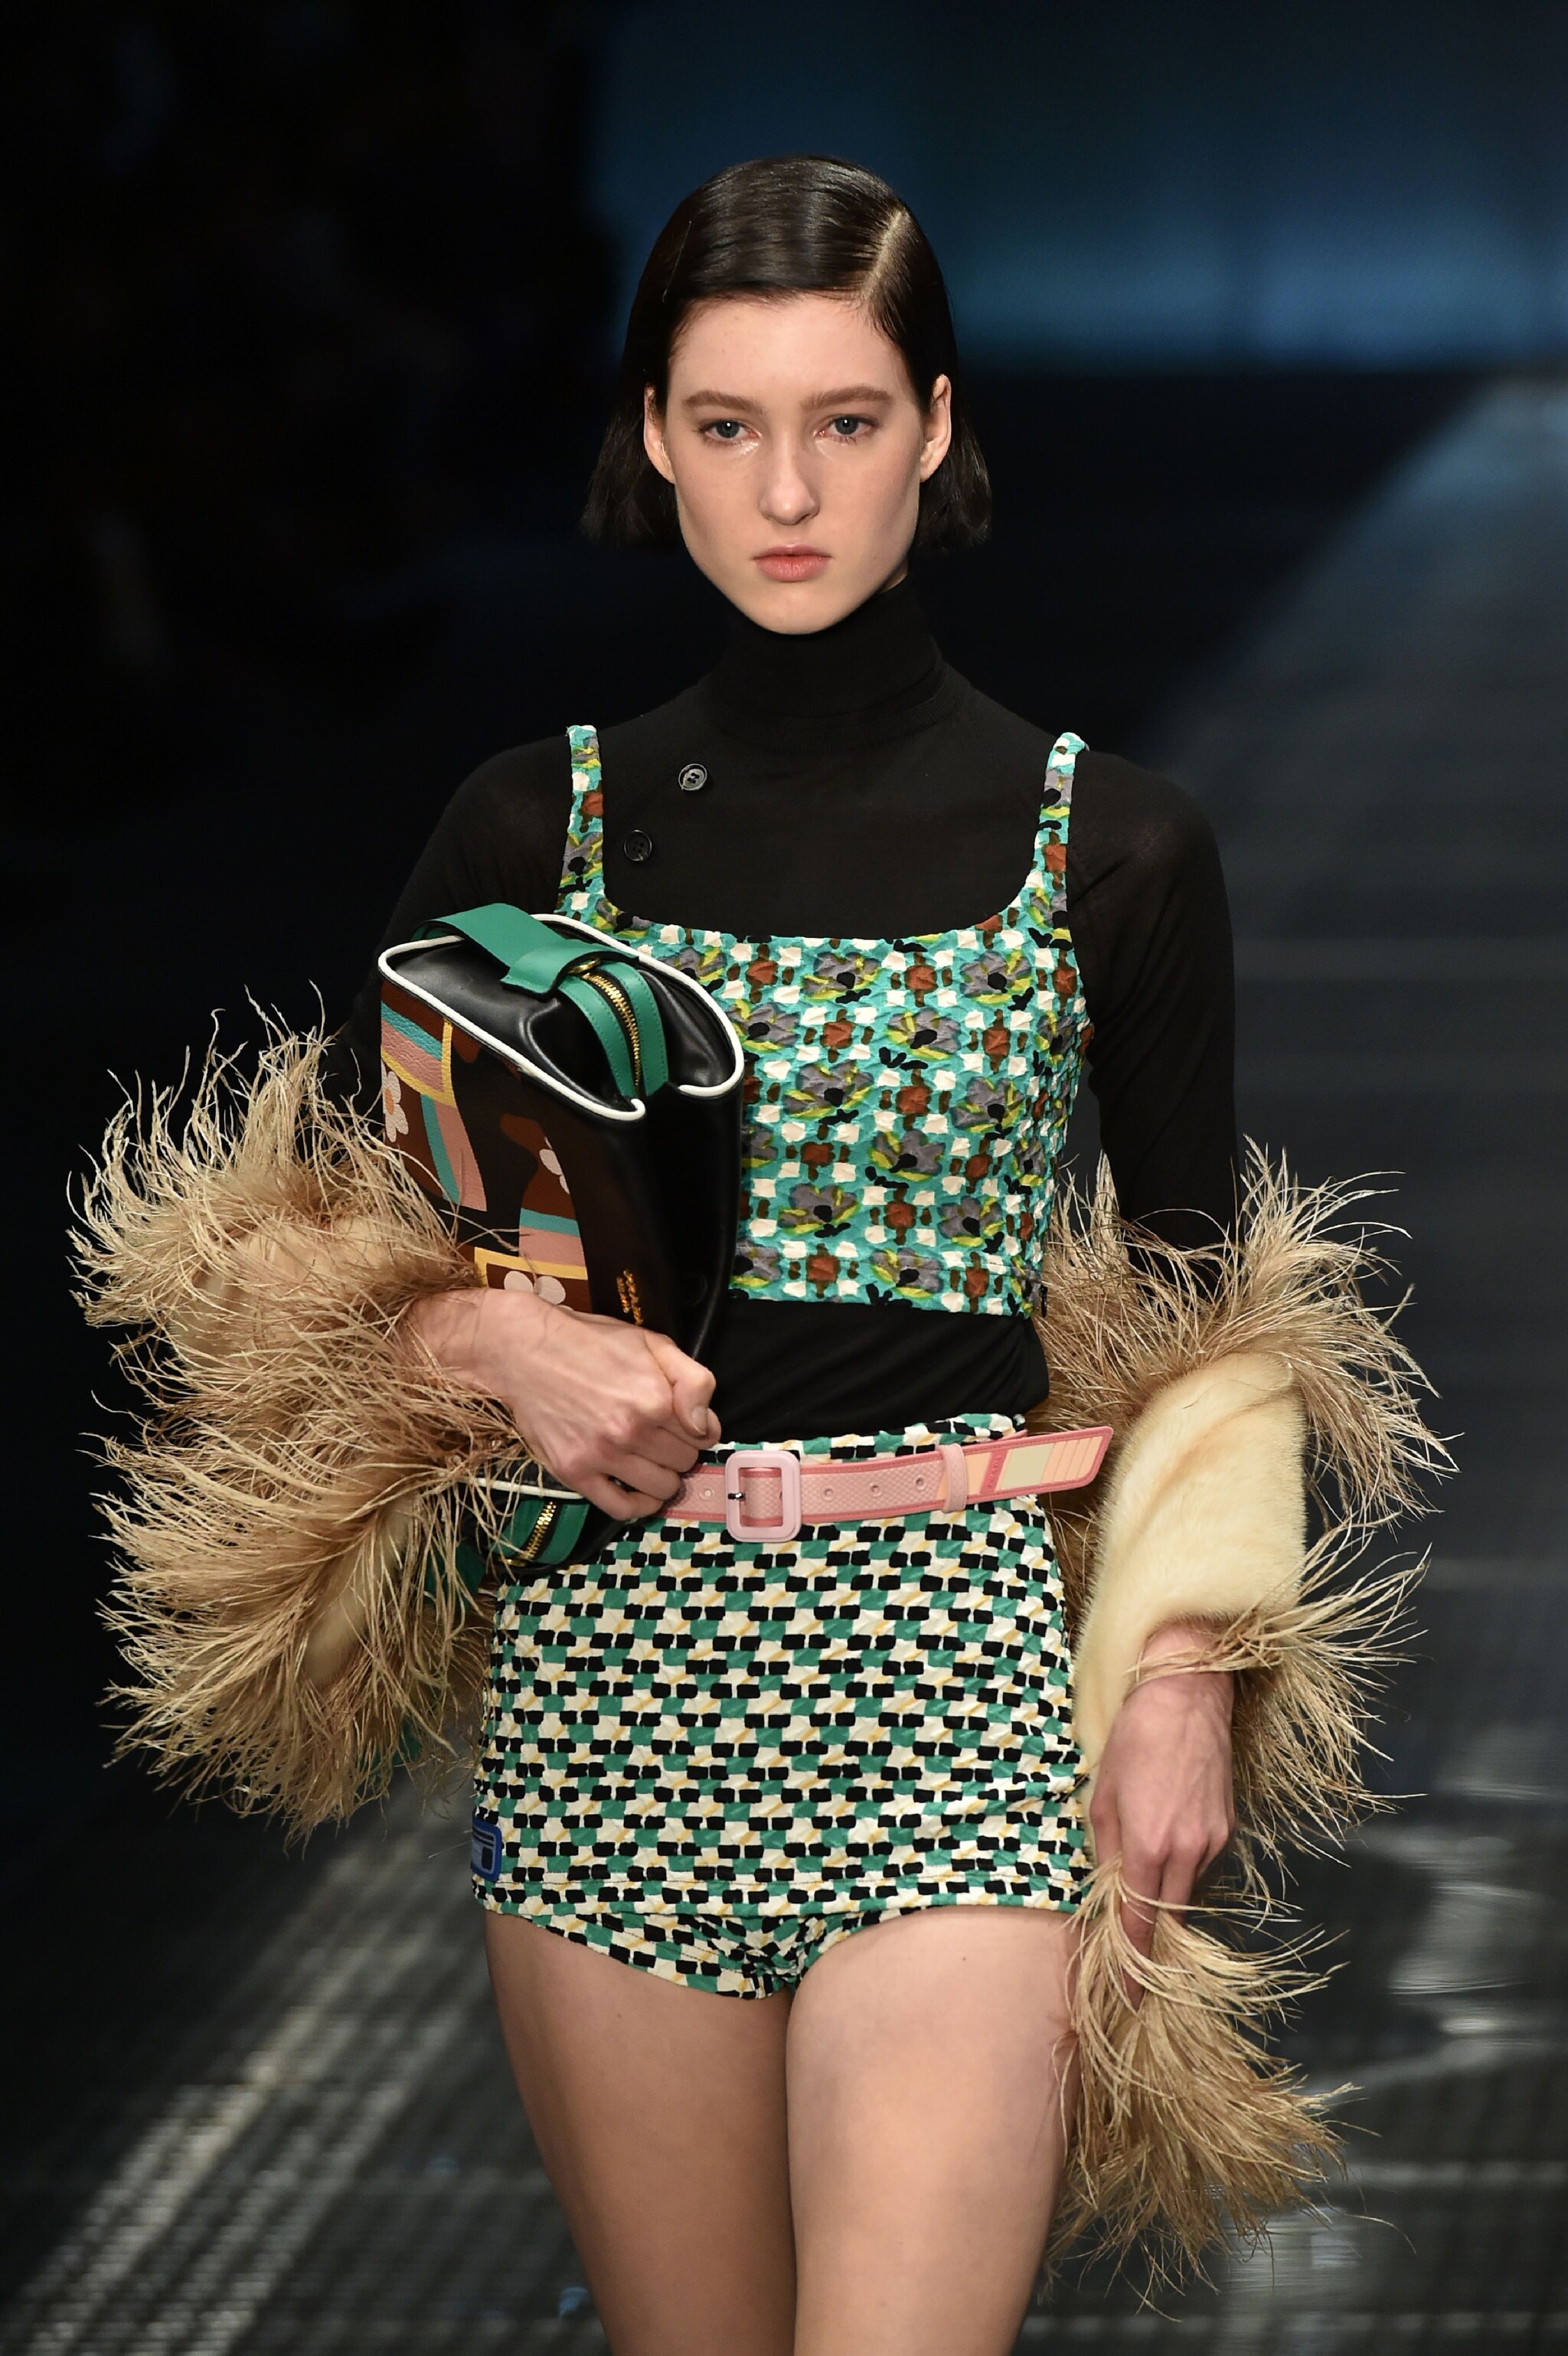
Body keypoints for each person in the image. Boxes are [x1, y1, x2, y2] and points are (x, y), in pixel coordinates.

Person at [81, 156, 1436, 2356]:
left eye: (843, 421)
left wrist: (1186, 1673)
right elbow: (302, 1294)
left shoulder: (1112, 844)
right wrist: (498, 1349)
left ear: (936, 427)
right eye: (727, 425)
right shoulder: (533, 835)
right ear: (652, 437)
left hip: (957, 1670)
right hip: (612, 1686)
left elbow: (1210, 1306)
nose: (786, 491)